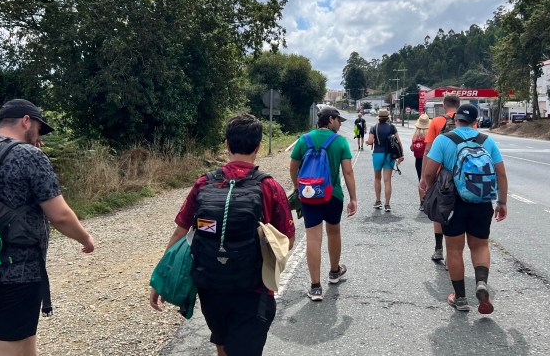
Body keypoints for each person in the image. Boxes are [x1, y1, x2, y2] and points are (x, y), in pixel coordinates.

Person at [150, 114, 295, 356]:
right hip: (253, 290)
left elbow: (180, 232)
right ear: (258, 146)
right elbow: (287, 240)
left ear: (227, 145)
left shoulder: (203, 183)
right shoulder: (270, 187)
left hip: (211, 287)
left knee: (223, 344)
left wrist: (162, 277)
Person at [0, 99, 95, 356]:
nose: (39, 137)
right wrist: (85, 238)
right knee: (3, 341)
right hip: (16, 270)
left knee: (21, 337)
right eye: (39, 129)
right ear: (25, 121)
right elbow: (60, 216)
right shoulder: (29, 155)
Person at [420, 104, 508, 314]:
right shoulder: (487, 141)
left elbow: (429, 173)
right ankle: (481, 282)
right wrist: (502, 203)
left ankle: (460, 298)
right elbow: (501, 174)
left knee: (454, 250)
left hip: (453, 203)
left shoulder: (444, 140)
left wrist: (430, 189)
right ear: (476, 121)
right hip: (482, 202)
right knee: (480, 246)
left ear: (455, 120)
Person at [289, 106, 356, 301]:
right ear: (331, 119)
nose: (340, 124)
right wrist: (353, 198)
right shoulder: (340, 141)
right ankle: (334, 272)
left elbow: (293, 167)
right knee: (333, 232)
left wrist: (298, 187)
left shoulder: (304, 139)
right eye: (339, 120)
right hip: (333, 194)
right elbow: (348, 172)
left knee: (313, 238)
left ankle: (315, 287)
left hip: (309, 194)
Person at [419, 94, 461, 262]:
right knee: (458, 213)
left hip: (440, 174)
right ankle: (453, 255)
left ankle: (439, 250)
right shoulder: (467, 121)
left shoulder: (436, 121)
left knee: (439, 209)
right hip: (462, 173)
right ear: (458, 105)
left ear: (444, 106)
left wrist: (424, 177)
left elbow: (428, 150)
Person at [365, 109, 404, 213]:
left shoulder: (374, 128)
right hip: (389, 155)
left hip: (377, 154)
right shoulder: (392, 127)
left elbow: (370, 141)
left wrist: (367, 142)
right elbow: (398, 141)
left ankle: (378, 201)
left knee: (377, 178)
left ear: (378, 118)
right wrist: (401, 155)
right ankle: (387, 204)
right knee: (387, 180)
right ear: (388, 118)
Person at [410, 114, 430, 207]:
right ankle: (429, 201)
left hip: (418, 160)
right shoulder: (430, 135)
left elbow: (412, 148)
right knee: (430, 181)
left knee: (421, 179)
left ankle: (422, 202)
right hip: (429, 160)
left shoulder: (415, 136)